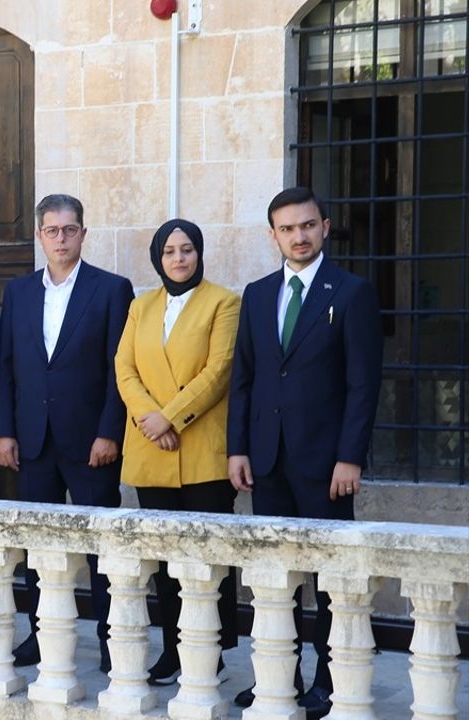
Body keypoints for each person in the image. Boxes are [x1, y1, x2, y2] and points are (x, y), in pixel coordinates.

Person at [227, 187, 382, 719]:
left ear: (325, 226)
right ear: (273, 235)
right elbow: (243, 380)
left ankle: (328, 681)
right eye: (288, 228)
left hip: (325, 465)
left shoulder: (352, 292)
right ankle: (279, 677)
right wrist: (238, 449)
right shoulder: (256, 293)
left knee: (328, 582)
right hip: (266, 461)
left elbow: (364, 385)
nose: (299, 236)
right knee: (277, 580)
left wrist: (351, 457)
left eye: (308, 225)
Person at [0, 193, 134, 671]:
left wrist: (110, 432)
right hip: (32, 440)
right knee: (39, 546)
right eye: (51, 230)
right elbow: (7, 366)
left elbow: (121, 369)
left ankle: (112, 640)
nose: (61, 238)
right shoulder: (20, 292)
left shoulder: (112, 289)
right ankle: (40, 635)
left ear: (83, 233)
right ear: (39, 235)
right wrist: (4, 432)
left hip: (91, 440)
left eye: (69, 229)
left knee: (101, 550)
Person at [113, 218, 240, 684]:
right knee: (165, 561)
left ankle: (214, 654)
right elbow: (124, 368)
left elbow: (219, 369)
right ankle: (172, 648)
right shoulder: (141, 306)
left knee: (207, 559)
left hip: (201, 451)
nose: (179, 258)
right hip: (152, 450)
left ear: (199, 254)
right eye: (169, 251)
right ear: (157, 257)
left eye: (187, 249)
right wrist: (150, 419)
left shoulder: (224, 301)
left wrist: (171, 417)